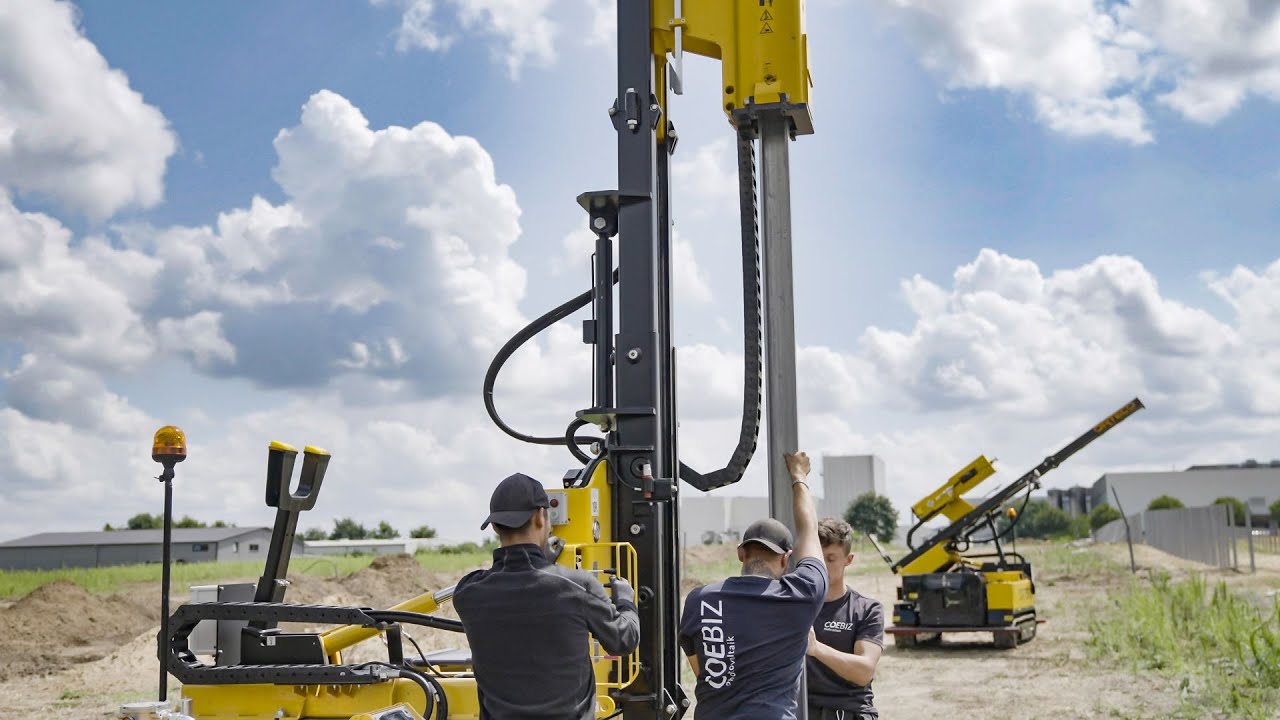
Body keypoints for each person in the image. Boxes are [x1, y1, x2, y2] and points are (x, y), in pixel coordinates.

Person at [453, 472, 640, 720]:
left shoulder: (469, 592)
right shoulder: (578, 586)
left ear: (495, 526)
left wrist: (542, 565)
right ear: (541, 517)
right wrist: (626, 601)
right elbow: (623, 640)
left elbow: (517, 595)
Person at [678, 451, 827, 720]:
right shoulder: (801, 596)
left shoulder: (700, 600)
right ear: (786, 559)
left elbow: (703, 671)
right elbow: (809, 532)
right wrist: (799, 476)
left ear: (740, 554)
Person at [805, 518, 884, 720]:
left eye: (830, 558)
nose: (821, 566)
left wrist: (816, 649)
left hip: (849, 712)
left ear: (848, 559)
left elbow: (864, 671)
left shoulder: (866, 609)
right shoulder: (796, 607)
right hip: (803, 711)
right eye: (817, 558)